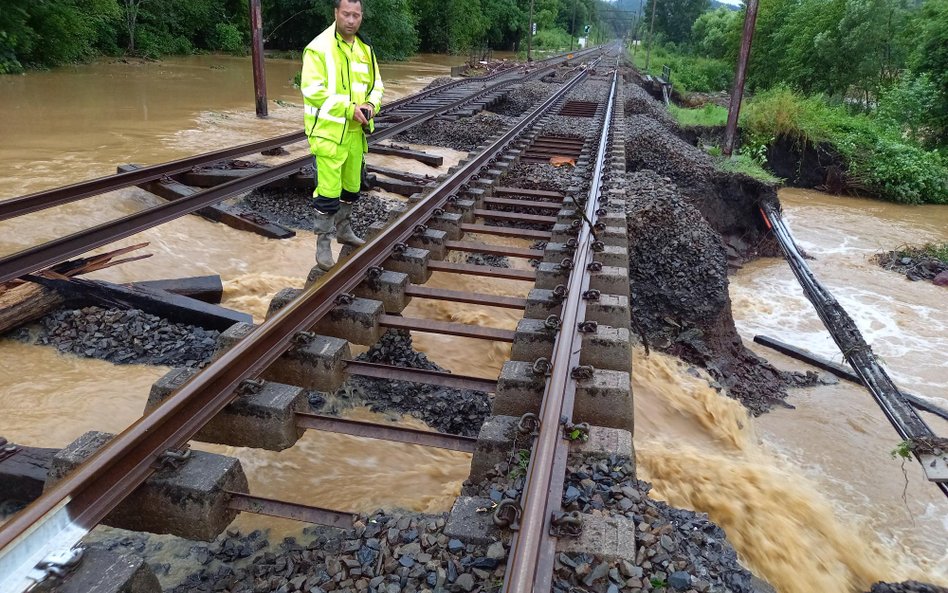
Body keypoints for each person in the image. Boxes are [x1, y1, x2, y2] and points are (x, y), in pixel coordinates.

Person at [300, 0, 384, 270]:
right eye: (346, 14)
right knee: (328, 191)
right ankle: (323, 244)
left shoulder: (365, 49)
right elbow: (313, 90)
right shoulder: (318, 48)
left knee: (351, 187)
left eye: (356, 15)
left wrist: (371, 105)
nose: (351, 20)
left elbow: (377, 85)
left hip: (355, 134)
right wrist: (348, 109)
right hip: (328, 133)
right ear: (335, 13)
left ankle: (344, 231)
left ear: (362, 17)